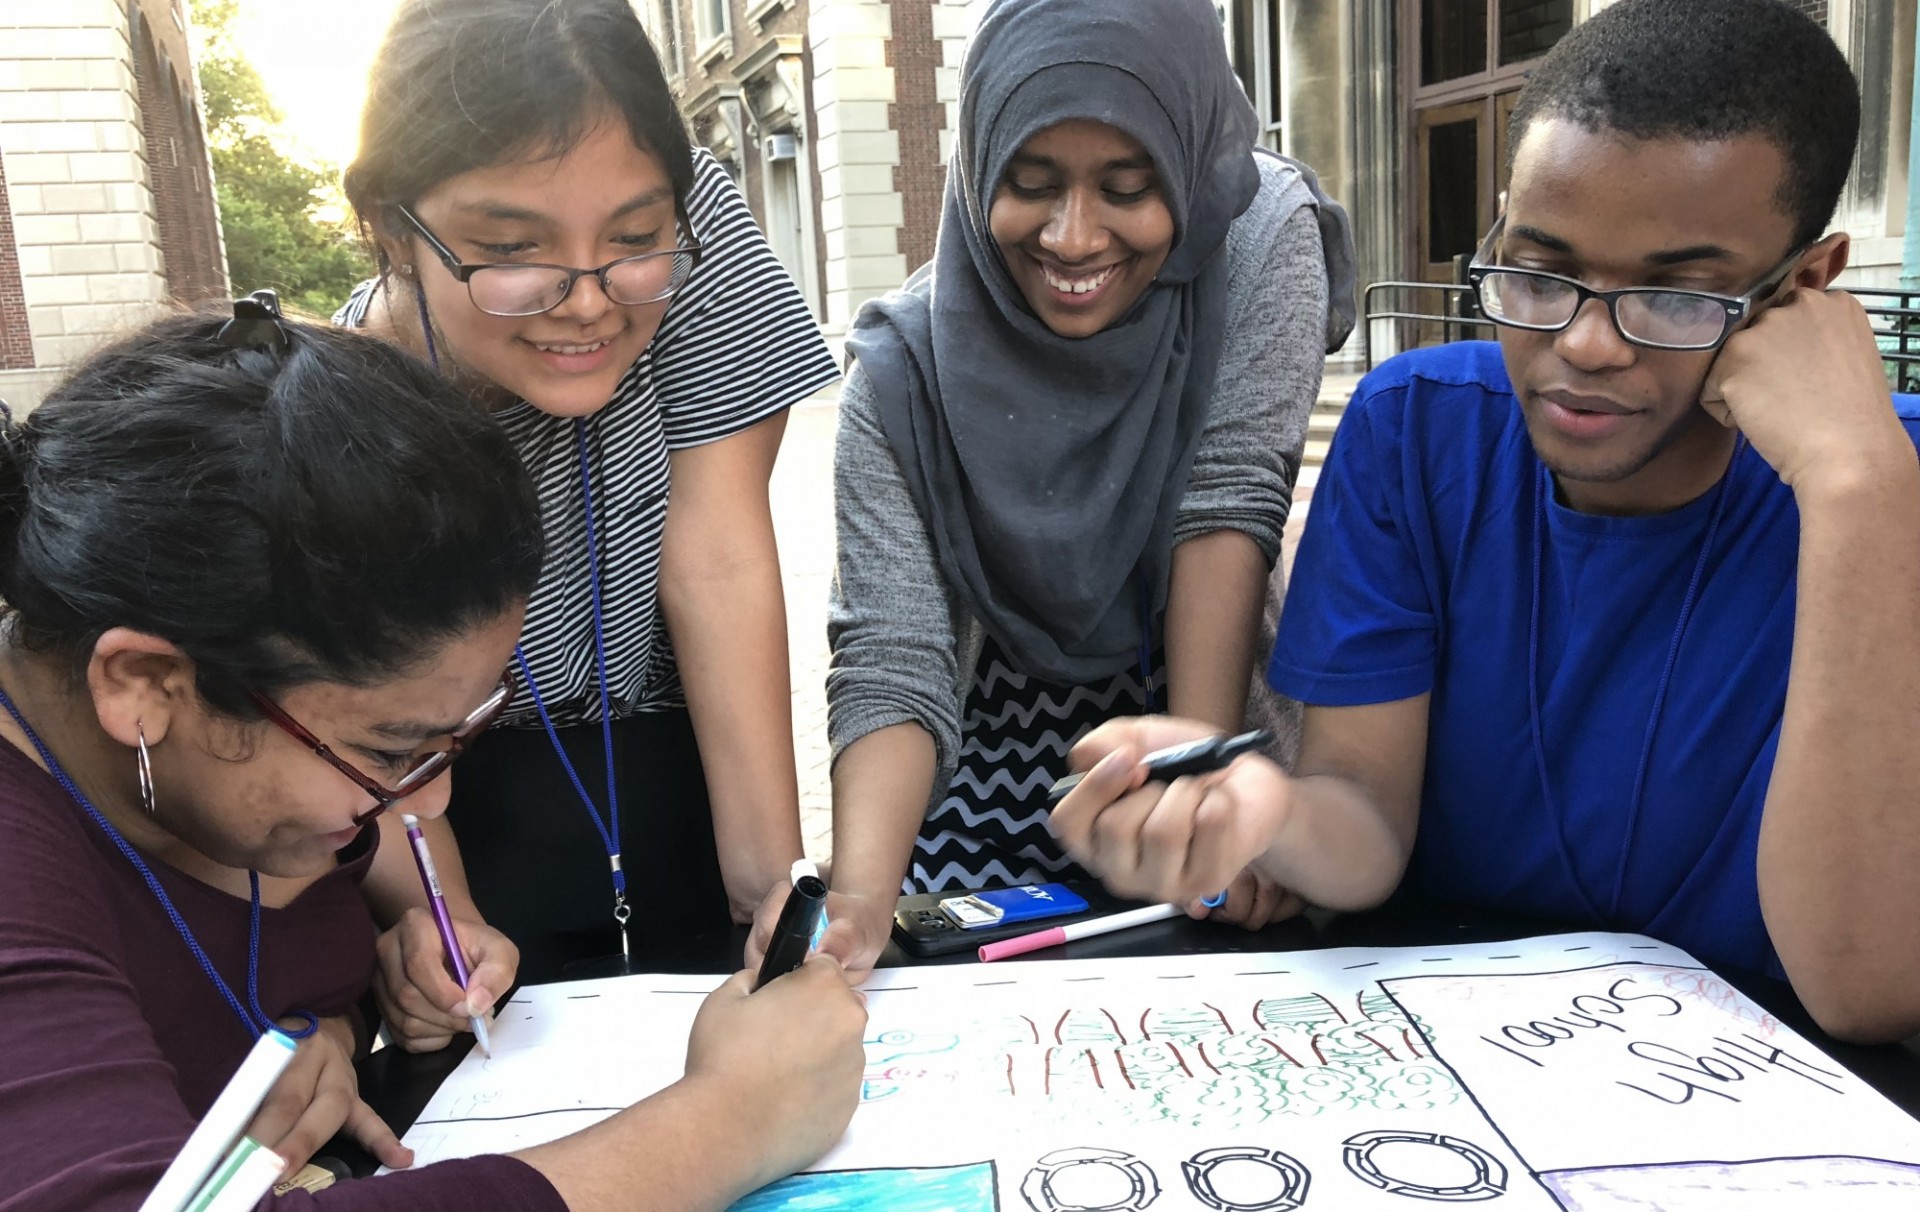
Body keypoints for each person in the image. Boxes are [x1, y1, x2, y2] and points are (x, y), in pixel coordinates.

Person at [1050, 0, 1920, 1045]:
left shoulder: (1880, 485)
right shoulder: (1417, 436)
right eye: (1541, 271)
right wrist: (1264, 810)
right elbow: (1366, 826)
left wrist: (1858, 489)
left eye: (1679, 297)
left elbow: (1868, 988)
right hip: (1456, 1051)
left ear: (1808, 288)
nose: (1589, 345)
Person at [0, 302, 866, 1212]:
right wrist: (726, 1121)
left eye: (460, 735)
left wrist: (335, 1016)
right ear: (142, 684)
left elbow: (235, 973)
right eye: (390, 747)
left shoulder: (202, 774)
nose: (427, 794)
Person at [761, 0, 1355, 980]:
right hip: (990, 794)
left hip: (1201, 727)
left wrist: (1198, 809)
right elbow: (893, 653)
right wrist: (862, 905)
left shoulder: (1256, 236)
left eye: (1129, 188)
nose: (1075, 238)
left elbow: (1228, 504)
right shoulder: (902, 372)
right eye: (1030, 185)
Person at [335, 0, 840, 1021]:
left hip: (666, 743)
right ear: (391, 225)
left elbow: (718, 559)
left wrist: (770, 892)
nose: (589, 300)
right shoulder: (337, 417)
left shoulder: (704, 246)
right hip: (446, 797)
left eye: (636, 237)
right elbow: (363, 728)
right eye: (514, 248)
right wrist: (435, 913)